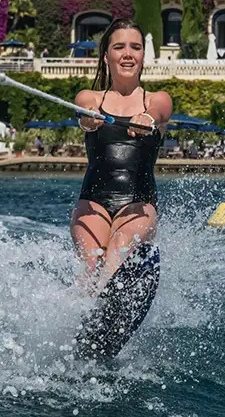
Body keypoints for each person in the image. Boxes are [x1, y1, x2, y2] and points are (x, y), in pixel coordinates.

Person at [70, 19, 173, 296]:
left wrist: (147, 118)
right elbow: (84, 110)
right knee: (92, 262)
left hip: (138, 203)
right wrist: (90, 120)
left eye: (135, 47)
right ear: (106, 56)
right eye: (119, 47)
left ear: (142, 56)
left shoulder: (157, 98)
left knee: (119, 247)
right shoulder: (90, 97)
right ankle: (82, 321)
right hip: (93, 201)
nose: (128, 53)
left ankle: (110, 308)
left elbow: (160, 110)